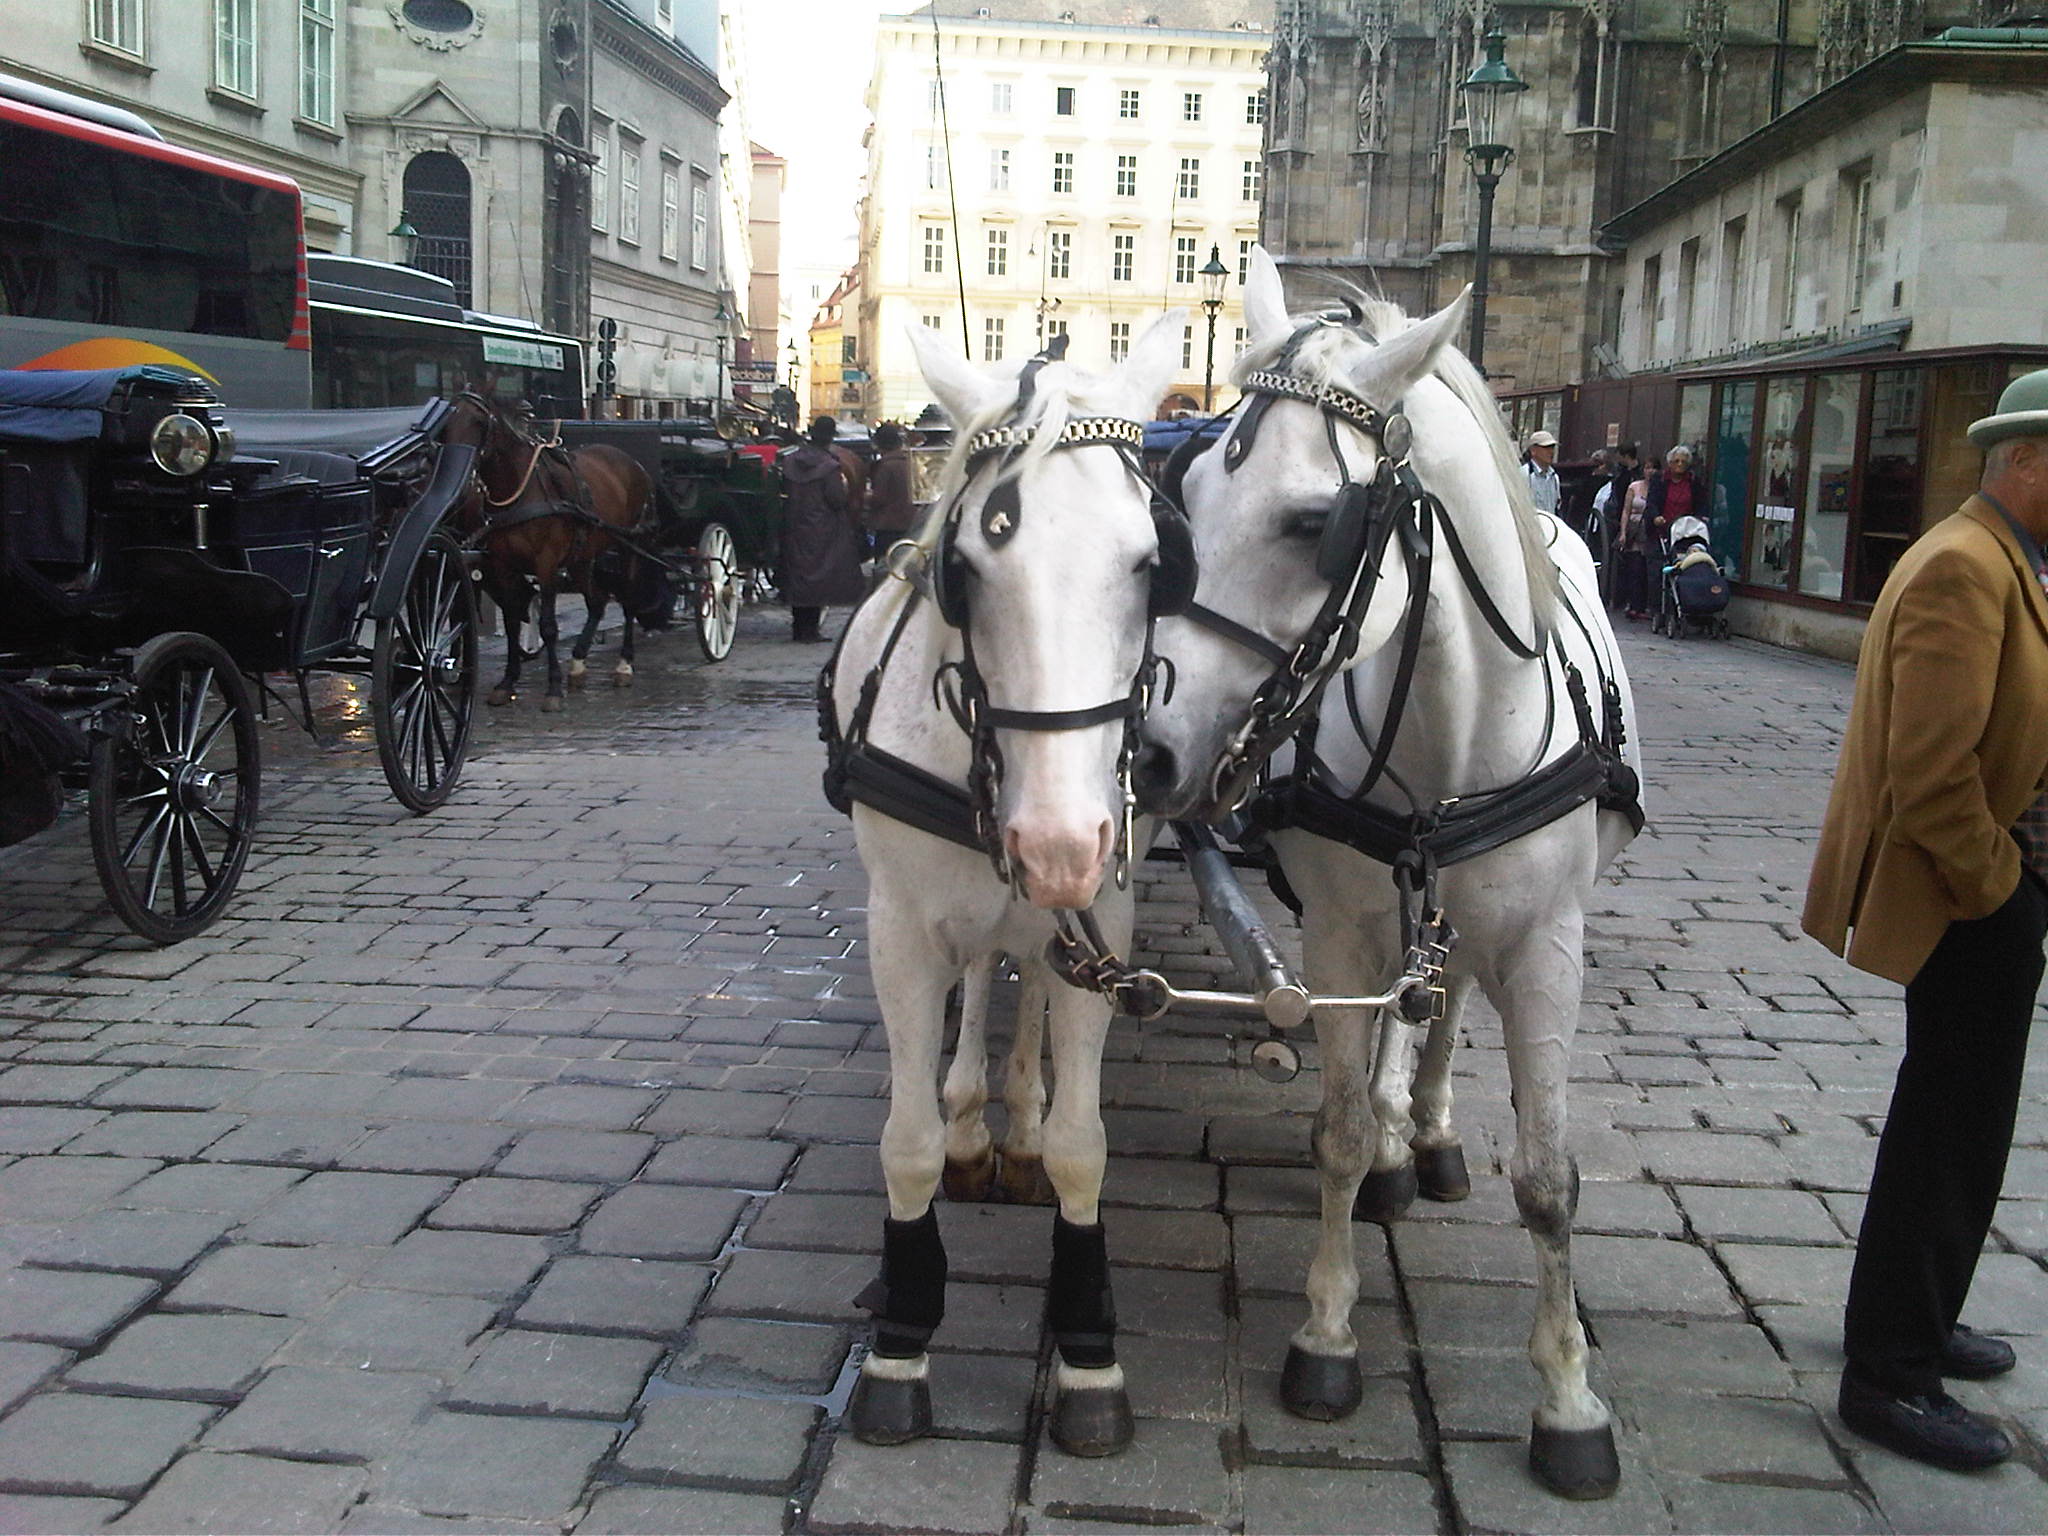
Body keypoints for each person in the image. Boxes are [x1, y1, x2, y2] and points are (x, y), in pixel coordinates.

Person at [1801, 366, 2048, 1473]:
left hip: (1990, 892)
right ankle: (1887, 1374)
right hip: (1967, 899)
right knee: (1944, 1130)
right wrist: (1997, 887)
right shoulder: (1962, 566)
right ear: (2026, 459)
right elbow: (1931, 773)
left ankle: (1920, 1312)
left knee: (1964, 1123)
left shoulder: (2003, 557)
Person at [778, 416, 866, 642]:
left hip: (794, 523)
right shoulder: (829, 466)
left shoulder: (790, 461)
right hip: (822, 526)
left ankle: (798, 628)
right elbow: (836, 499)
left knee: (799, 575)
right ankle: (811, 629)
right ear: (830, 436)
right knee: (819, 577)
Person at [864, 422, 917, 562]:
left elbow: (879, 498)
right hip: (911, 525)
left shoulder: (885, 466)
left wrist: (865, 496)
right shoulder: (911, 462)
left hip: (888, 527)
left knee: (886, 566)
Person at [1616, 468, 1652, 620]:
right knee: (1634, 567)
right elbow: (1626, 510)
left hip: (1649, 532)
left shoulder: (1658, 487)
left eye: (1654, 468)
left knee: (1645, 569)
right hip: (1635, 530)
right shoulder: (1634, 487)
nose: (1651, 471)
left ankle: (1643, 605)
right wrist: (1623, 532)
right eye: (1648, 467)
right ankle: (1633, 604)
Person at [1523, 430, 1560, 515]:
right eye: (1546, 447)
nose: (1551, 451)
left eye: (1552, 447)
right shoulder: (1524, 474)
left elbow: (1556, 506)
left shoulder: (1554, 478)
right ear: (1533, 450)